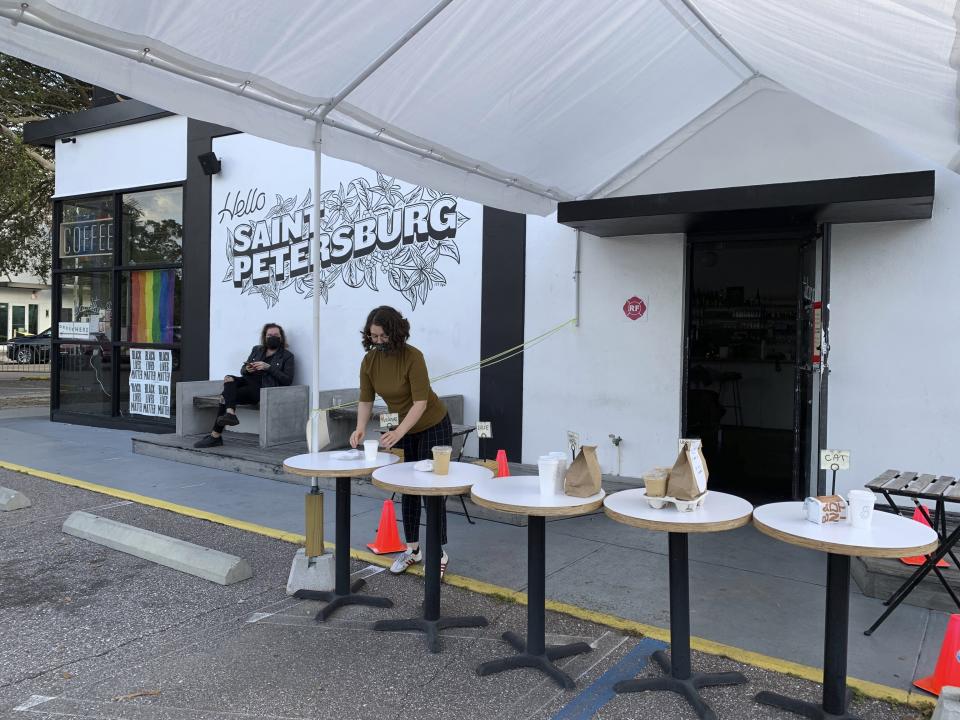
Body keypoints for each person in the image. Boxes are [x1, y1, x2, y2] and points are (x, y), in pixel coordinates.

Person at [350, 306, 452, 579]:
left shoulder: (413, 357)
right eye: (373, 336)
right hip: (405, 428)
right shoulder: (369, 362)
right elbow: (366, 399)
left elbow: (420, 402)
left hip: (432, 424)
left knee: (433, 490)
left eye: (383, 336)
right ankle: (413, 549)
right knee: (407, 488)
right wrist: (360, 428)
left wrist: (399, 432)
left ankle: (439, 552)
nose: (378, 341)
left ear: (395, 333)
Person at [194, 323, 295, 448]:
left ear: (281, 337)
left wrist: (268, 367)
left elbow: (287, 380)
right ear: (264, 337)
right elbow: (242, 370)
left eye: (276, 335)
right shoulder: (257, 349)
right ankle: (230, 413)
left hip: (263, 389)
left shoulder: (287, 356)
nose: (272, 337)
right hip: (248, 381)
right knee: (229, 379)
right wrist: (248, 369)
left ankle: (215, 435)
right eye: (269, 335)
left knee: (225, 396)